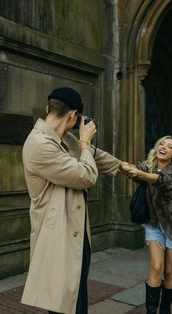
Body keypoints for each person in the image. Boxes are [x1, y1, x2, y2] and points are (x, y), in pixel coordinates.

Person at [21, 87, 121, 314]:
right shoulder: (39, 144)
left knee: (76, 302)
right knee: (62, 306)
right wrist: (85, 141)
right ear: (73, 116)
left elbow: (95, 155)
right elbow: (86, 175)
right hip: (56, 237)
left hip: (76, 236)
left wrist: (126, 168)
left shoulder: (64, 138)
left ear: (49, 107)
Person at [121, 135, 172, 314]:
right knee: (155, 267)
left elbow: (163, 181)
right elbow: (134, 170)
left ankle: (165, 310)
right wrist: (120, 165)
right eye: (162, 143)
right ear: (156, 147)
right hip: (154, 226)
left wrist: (141, 174)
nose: (164, 147)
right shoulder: (148, 166)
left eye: (170, 147)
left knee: (169, 271)